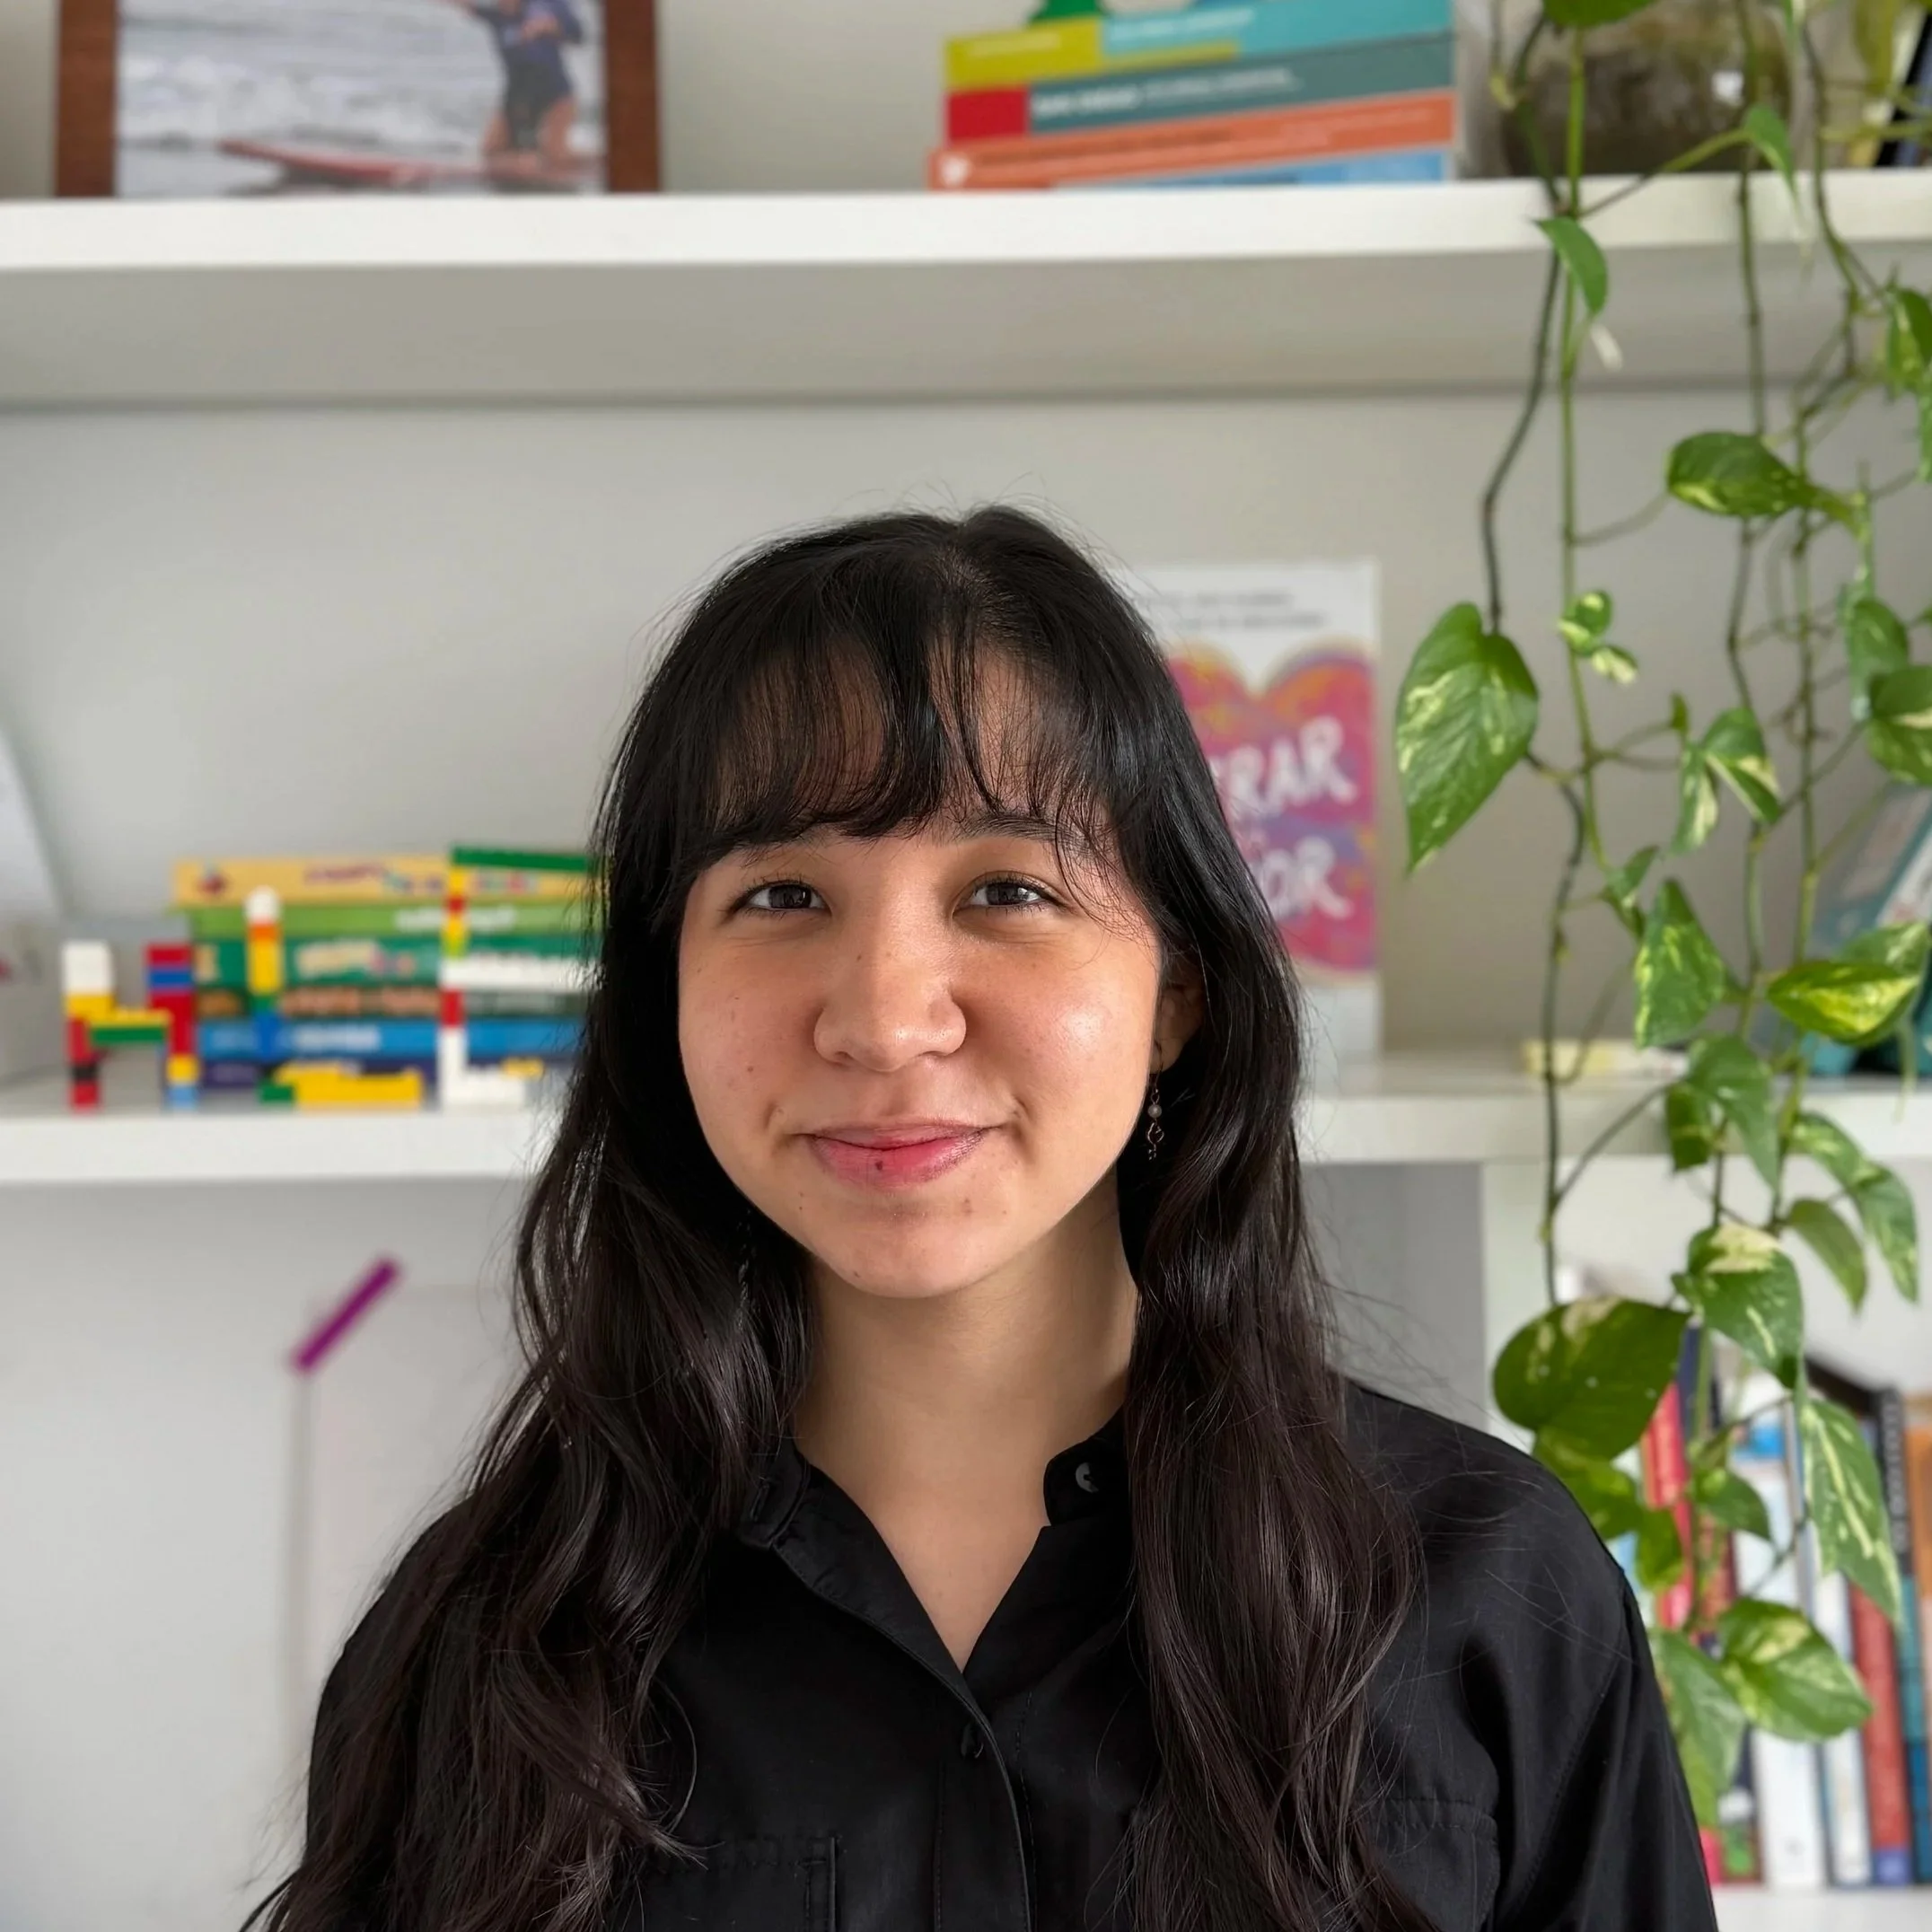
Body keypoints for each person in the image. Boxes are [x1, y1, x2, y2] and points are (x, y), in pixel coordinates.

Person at [245, 509, 1717, 1931]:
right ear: (664, 1001)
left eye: (1005, 886)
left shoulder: (1489, 1597)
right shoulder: (482, 1645)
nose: (885, 1020)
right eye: (780, 896)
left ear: (1177, 993)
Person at [438, 0, 585, 182]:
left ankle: (581, 168)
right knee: (490, 149)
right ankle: (524, 162)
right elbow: (468, 7)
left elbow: (578, 36)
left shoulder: (542, 10)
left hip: (555, 94)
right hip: (516, 94)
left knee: (555, 157)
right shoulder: (497, 17)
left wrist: (552, 27)